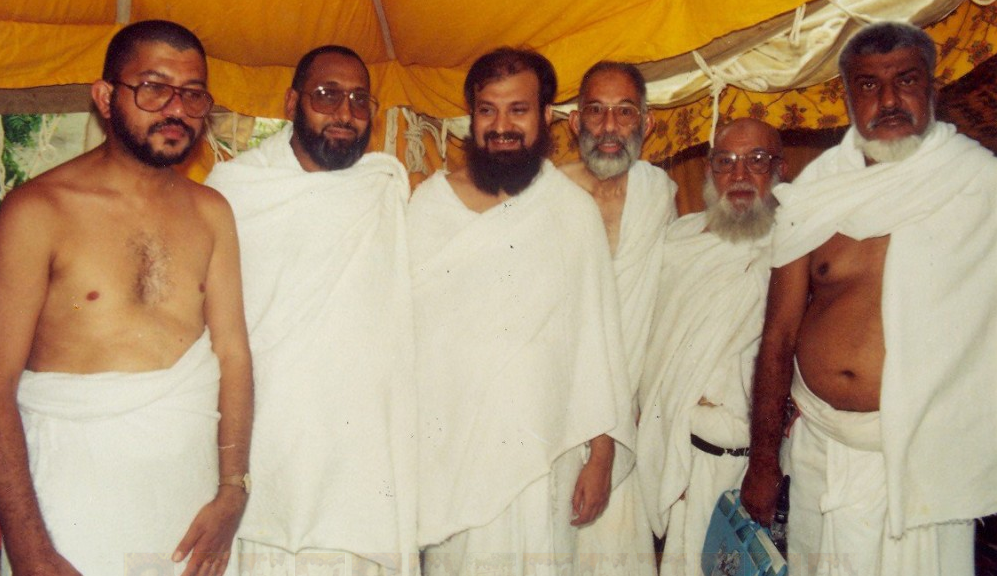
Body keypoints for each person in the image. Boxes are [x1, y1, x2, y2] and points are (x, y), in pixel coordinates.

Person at [740, 21, 997, 576]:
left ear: (932, 88)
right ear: (848, 98)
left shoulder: (977, 184)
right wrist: (762, 461)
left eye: (906, 80)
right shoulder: (817, 192)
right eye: (868, 85)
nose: (889, 100)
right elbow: (778, 333)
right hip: (818, 445)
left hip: (922, 457)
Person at [0, 20, 252, 576]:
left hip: (189, 512)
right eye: (154, 88)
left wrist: (233, 491)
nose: (176, 109)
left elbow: (234, 355)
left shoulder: (212, 213)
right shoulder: (36, 212)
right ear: (105, 97)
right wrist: (30, 551)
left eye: (193, 94)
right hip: (68, 510)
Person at [409, 47, 635, 576]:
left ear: (545, 115)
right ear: (471, 117)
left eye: (518, 110)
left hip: (544, 454)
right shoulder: (429, 208)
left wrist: (602, 456)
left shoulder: (571, 211)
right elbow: (404, 340)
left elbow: (598, 337)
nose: (502, 126)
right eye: (488, 110)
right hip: (450, 455)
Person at [204, 45, 417, 576]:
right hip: (267, 440)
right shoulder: (235, 189)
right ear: (291, 102)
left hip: (359, 451)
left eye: (360, 100)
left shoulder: (383, 185)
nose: (345, 113)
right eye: (327, 96)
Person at [637, 118, 784, 575]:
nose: (739, 175)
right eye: (726, 161)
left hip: (753, 464)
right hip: (682, 452)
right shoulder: (679, 240)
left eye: (756, 160)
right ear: (709, 171)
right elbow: (655, 348)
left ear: (779, 169)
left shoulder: (795, 245)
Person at [560, 61, 678, 576]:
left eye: (625, 112)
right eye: (596, 111)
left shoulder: (660, 195)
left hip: (627, 422)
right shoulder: (547, 197)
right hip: (555, 422)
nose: (610, 127)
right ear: (575, 122)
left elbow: (662, 310)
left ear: (646, 124)